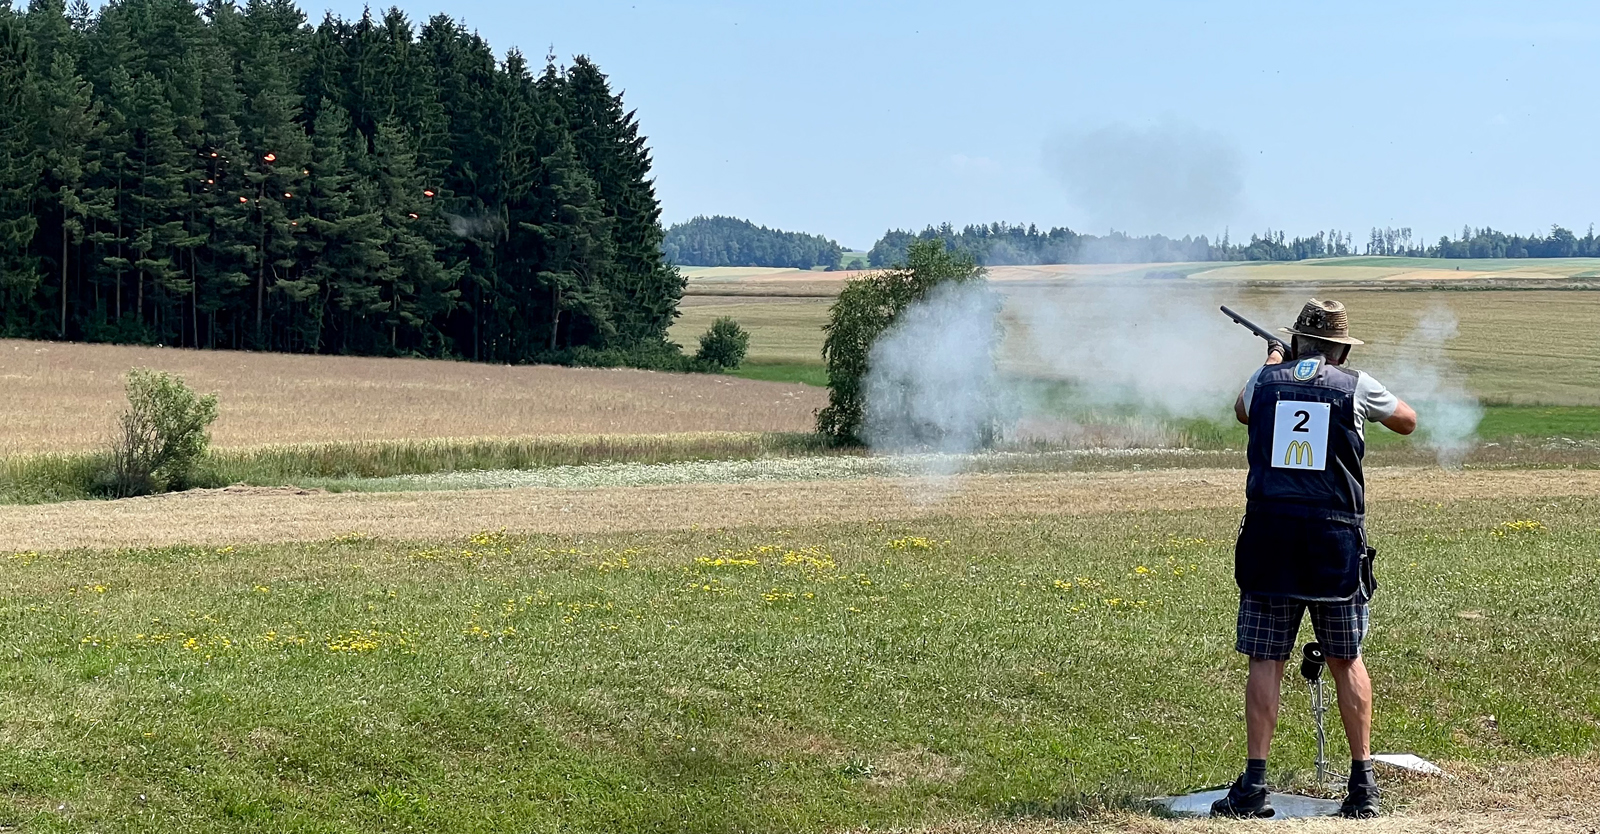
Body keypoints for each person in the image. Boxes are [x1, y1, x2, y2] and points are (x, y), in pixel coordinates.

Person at [1211, 299, 1418, 820]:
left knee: (1266, 658)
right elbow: (1407, 421)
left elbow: (1242, 409)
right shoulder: (1355, 384)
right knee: (1346, 657)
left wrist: (1273, 363)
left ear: (1298, 340)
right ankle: (1363, 784)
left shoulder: (1267, 379)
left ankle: (1254, 783)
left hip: (1270, 540)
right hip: (1334, 543)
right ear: (1342, 347)